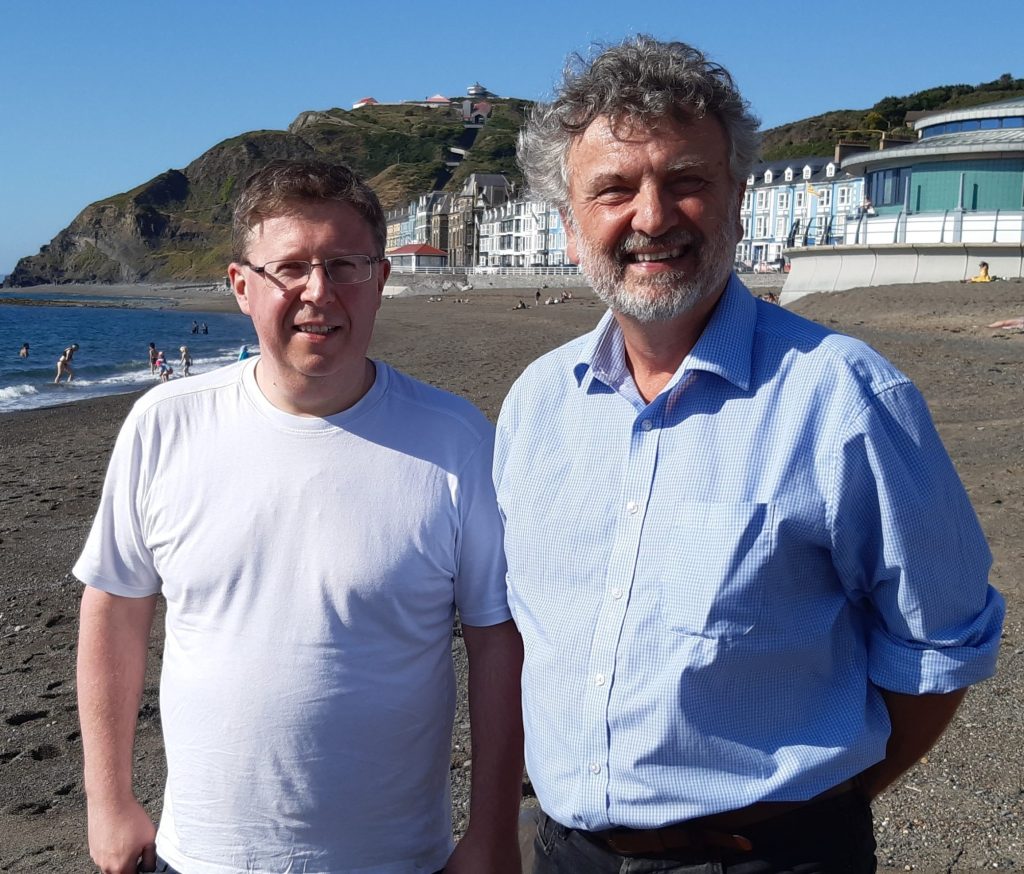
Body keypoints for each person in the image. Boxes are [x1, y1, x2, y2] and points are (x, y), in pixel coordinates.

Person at [495, 36, 1004, 873]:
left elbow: (941, 646)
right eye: (614, 189)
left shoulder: (845, 397)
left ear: (735, 198)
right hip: (565, 853)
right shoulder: (537, 404)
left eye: (686, 181)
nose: (652, 217)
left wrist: (809, 814)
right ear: (570, 224)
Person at [75, 159, 523, 874]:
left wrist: (493, 833)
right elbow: (114, 608)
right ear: (242, 286)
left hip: (397, 858)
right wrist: (108, 801)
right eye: (290, 267)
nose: (319, 292)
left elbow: (497, 642)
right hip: (201, 855)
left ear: (379, 280)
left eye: (344, 264)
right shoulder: (165, 424)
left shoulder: (455, 438)